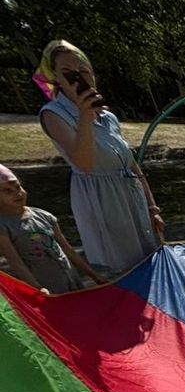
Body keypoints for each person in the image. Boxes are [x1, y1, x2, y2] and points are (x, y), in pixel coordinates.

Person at [35, 40, 163, 275]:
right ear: (56, 78)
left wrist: (152, 206)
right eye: (68, 72)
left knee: (150, 257)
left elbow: (130, 163)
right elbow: (84, 164)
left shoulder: (108, 117)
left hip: (131, 194)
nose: (78, 77)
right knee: (123, 265)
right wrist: (84, 117)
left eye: (84, 71)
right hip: (101, 198)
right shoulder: (53, 114)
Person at [0, 164, 105, 293]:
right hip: (46, 287)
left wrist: (93, 274)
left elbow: (67, 249)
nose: (18, 193)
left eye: (18, 187)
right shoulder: (3, 226)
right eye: (7, 191)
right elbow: (16, 263)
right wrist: (38, 288)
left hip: (70, 280)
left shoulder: (44, 216)